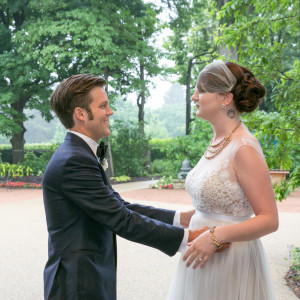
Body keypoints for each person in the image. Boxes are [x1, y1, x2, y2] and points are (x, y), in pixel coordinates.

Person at [42, 74, 209, 300]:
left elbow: (120, 206)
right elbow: (121, 219)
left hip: (87, 276)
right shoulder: (74, 160)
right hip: (77, 283)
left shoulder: (77, 154)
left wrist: (180, 218)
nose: (110, 111)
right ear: (81, 114)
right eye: (103, 106)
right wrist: (188, 237)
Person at [167, 60, 279, 300]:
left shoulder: (244, 148)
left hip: (230, 260)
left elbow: (269, 220)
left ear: (225, 99)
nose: (195, 96)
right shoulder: (219, 140)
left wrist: (215, 236)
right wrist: (192, 218)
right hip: (200, 257)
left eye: (202, 90)